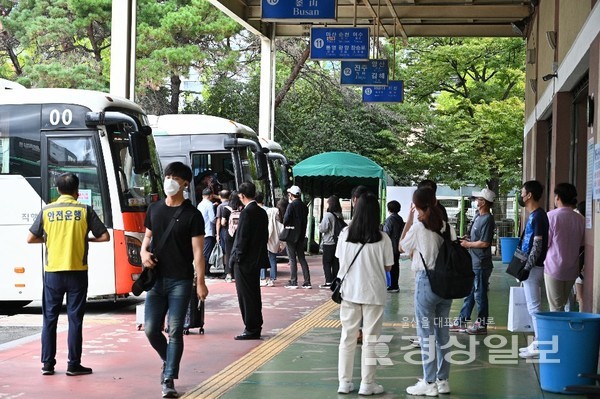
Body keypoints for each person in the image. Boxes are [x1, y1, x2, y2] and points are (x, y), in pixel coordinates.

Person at [27, 172, 110, 377]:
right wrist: (85, 240)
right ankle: (73, 365)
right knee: (75, 319)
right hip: (77, 273)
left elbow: (30, 238)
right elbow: (105, 236)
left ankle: (47, 364)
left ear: (57, 190)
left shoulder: (47, 211)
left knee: (50, 319)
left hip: (53, 273)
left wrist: (50, 240)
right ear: (77, 192)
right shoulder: (84, 210)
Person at [140, 161, 209, 398]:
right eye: (168, 175)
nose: (169, 180)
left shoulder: (193, 215)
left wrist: (200, 281)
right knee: (150, 329)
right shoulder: (154, 209)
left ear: (185, 184)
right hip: (156, 281)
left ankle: (168, 378)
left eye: (175, 177)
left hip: (180, 280)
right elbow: (146, 239)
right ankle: (167, 359)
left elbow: (198, 252)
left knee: (176, 330)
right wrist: (143, 253)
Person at [336, 192, 393, 395]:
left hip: (349, 291)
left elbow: (340, 261)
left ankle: (344, 382)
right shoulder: (383, 238)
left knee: (347, 337)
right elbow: (388, 267)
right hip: (374, 293)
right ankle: (367, 385)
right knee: (371, 339)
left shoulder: (345, 234)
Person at [399, 187, 455, 396]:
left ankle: (429, 383)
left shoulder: (419, 227)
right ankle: (443, 380)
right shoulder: (446, 226)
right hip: (446, 285)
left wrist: (410, 218)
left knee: (425, 334)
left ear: (416, 205)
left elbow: (402, 247)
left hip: (426, 283)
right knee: (442, 334)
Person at [450, 188, 496, 335]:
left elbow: (485, 243)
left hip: (481, 263)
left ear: (484, 203)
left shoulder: (488, 219)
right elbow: (475, 238)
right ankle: (461, 320)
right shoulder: (477, 216)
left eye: (478, 199)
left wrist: (468, 244)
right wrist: (467, 239)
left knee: (480, 294)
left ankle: (482, 324)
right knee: (470, 292)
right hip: (473, 261)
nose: (476, 201)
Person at [230, 182, 268, 340]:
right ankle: (255, 325)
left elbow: (242, 238)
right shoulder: (261, 212)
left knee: (245, 295)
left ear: (242, 196)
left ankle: (251, 327)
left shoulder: (246, 213)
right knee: (254, 294)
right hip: (257, 259)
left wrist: (237, 257)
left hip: (244, 261)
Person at [516, 180, 549, 359]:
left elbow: (537, 244)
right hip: (531, 265)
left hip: (533, 267)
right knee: (532, 306)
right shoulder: (536, 215)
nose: (521, 195)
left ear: (529, 195)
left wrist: (527, 267)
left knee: (534, 307)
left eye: (522, 193)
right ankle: (537, 341)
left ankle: (539, 343)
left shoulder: (538, 216)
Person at [544, 183, 585, 311]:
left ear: (558, 197)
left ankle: (557, 331)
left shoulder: (551, 216)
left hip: (553, 268)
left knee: (556, 307)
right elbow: (582, 244)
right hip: (572, 268)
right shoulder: (580, 219)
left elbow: (546, 243)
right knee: (562, 303)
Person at [283, 185, 311, 289]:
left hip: (291, 235)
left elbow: (285, 220)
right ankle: (307, 281)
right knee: (302, 258)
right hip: (301, 235)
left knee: (292, 258)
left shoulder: (291, 206)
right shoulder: (304, 206)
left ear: (291, 195)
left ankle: (293, 281)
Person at [318, 195, 346, 288]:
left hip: (329, 242)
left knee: (326, 262)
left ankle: (328, 281)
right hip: (337, 241)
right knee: (335, 262)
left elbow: (323, 228)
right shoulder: (339, 215)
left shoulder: (328, 215)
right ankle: (335, 280)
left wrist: (319, 225)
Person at [382, 200, 405, 293]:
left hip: (390, 246)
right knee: (396, 266)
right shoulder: (400, 219)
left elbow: (386, 233)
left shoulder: (390, 219)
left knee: (390, 266)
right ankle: (395, 285)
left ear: (389, 209)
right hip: (397, 246)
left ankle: (392, 285)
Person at [222, 191, 243, 283]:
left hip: (229, 234)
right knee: (239, 252)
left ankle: (229, 274)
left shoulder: (226, 209)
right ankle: (238, 273)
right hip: (239, 234)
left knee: (229, 252)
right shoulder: (242, 208)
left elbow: (223, 222)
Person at [197, 187, 216, 276]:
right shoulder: (209, 204)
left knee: (204, 252)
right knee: (207, 253)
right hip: (209, 231)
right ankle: (206, 271)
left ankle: (205, 271)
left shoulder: (200, 205)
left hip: (202, 231)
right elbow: (212, 219)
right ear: (210, 196)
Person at [575, 201, 586, 311]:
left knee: (580, 297)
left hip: (580, 266)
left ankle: (581, 317)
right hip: (581, 265)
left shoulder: (580, 224)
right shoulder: (586, 225)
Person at [215, 189, 231, 263]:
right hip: (232, 229)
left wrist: (217, 234)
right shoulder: (232, 205)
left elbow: (218, 221)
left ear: (220, 196)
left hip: (224, 230)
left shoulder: (220, 207)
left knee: (224, 250)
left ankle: (226, 268)